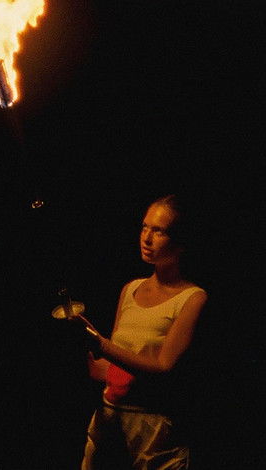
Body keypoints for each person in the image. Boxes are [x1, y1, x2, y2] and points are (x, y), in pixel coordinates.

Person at [80, 195, 207, 470]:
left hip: (153, 430)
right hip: (110, 422)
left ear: (181, 241)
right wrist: (80, 340)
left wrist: (102, 345)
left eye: (159, 231)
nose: (146, 238)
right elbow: (110, 369)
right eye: (144, 227)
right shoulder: (131, 289)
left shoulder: (192, 298)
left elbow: (163, 368)